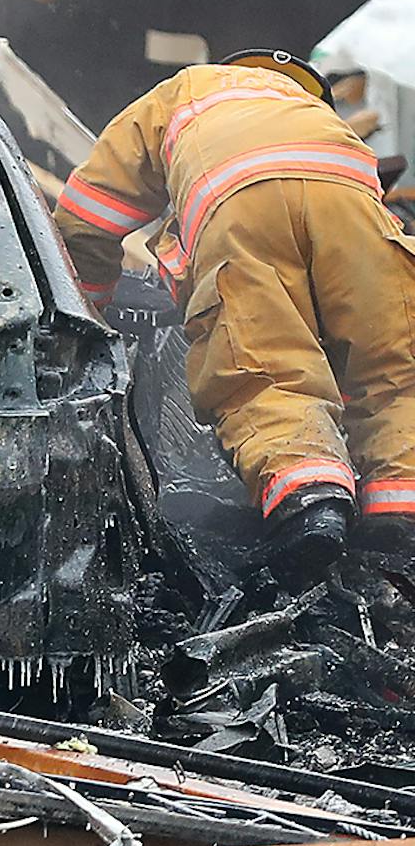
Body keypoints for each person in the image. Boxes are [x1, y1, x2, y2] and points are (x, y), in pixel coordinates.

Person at [52, 49, 415, 572]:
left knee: (263, 366)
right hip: (354, 207)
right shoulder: (316, 116)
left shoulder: (181, 93)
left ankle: (311, 501)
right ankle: (398, 525)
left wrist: (90, 314)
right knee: (391, 367)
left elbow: (88, 215)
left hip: (243, 213)